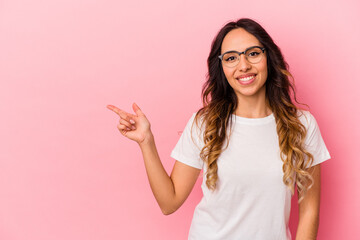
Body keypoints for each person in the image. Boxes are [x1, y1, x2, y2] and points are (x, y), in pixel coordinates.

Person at [107, 18, 331, 240]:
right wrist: (146, 142)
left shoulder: (301, 125)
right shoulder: (205, 123)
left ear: (268, 58)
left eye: (253, 53)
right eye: (231, 58)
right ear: (222, 67)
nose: (243, 65)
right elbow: (169, 202)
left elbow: (310, 212)